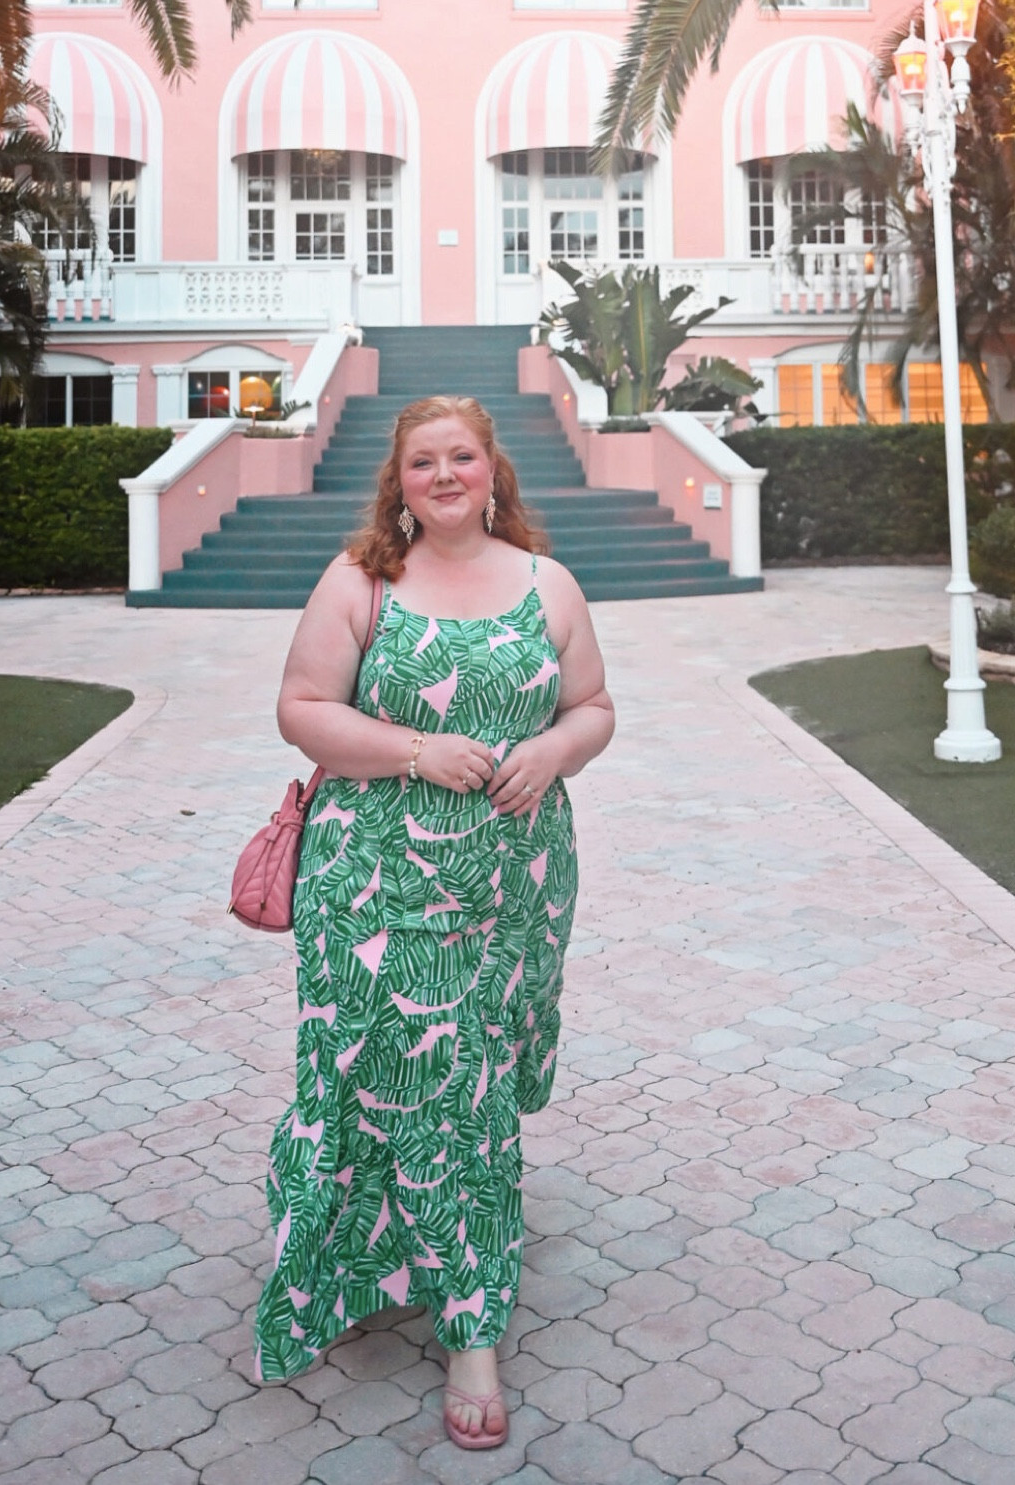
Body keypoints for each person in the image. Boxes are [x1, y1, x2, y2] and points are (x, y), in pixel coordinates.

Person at [253, 394, 615, 1449]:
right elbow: (301, 707)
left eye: (462, 456)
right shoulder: (359, 579)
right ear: (399, 481)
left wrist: (552, 749)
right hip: (372, 883)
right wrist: (416, 750)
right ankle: (451, 1320)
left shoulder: (547, 583)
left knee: (468, 1088)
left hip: (511, 882)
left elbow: (593, 706)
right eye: (423, 461)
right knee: (385, 1075)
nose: (445, 474)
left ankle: (446, 1281)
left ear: (492, 471)